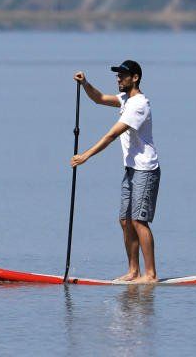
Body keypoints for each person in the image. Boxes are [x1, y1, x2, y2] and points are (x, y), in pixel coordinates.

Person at [71, 60, 161, 283]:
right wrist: (86, 84)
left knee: (140, 221)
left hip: (146, 170)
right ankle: (133, 272)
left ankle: (150, 275)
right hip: (131, 170)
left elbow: (111, 135)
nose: (118, 79)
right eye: (117, 75)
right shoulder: (125, 99)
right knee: (125, 220)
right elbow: (99, 98)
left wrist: (85, 156)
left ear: (135, 78)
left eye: (122, 75)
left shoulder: (139, 104)